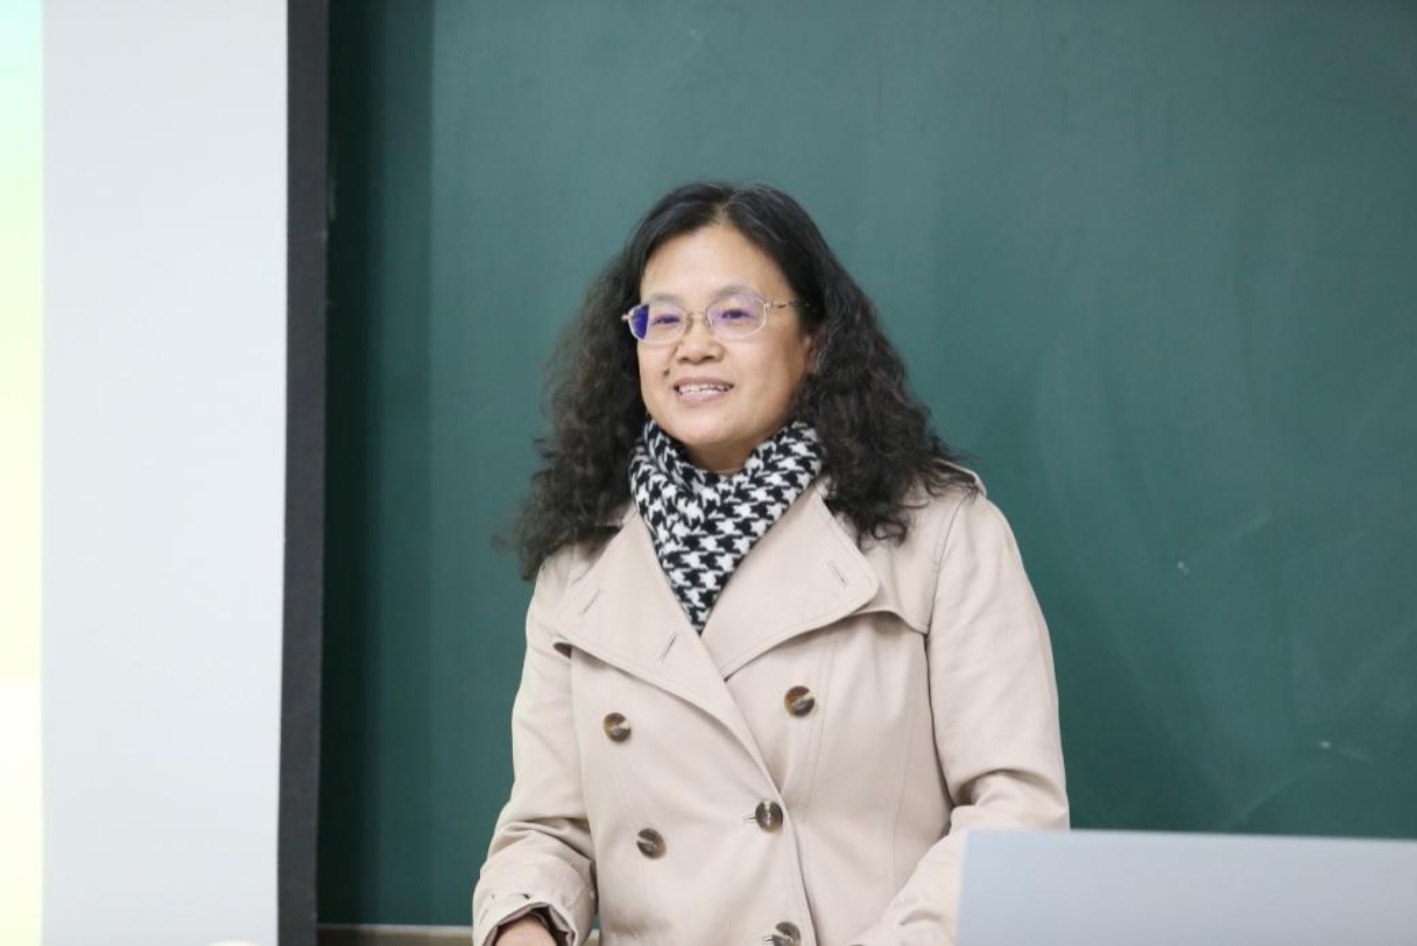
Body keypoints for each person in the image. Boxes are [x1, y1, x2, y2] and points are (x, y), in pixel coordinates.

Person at [472, 181, 1068, 946]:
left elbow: (1015, 813)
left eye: (735, 313)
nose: (693, 346)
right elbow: (547, 828)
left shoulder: (943, 533)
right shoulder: (582, 561)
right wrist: (523, 923)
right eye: (663, 318)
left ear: (813, 341)